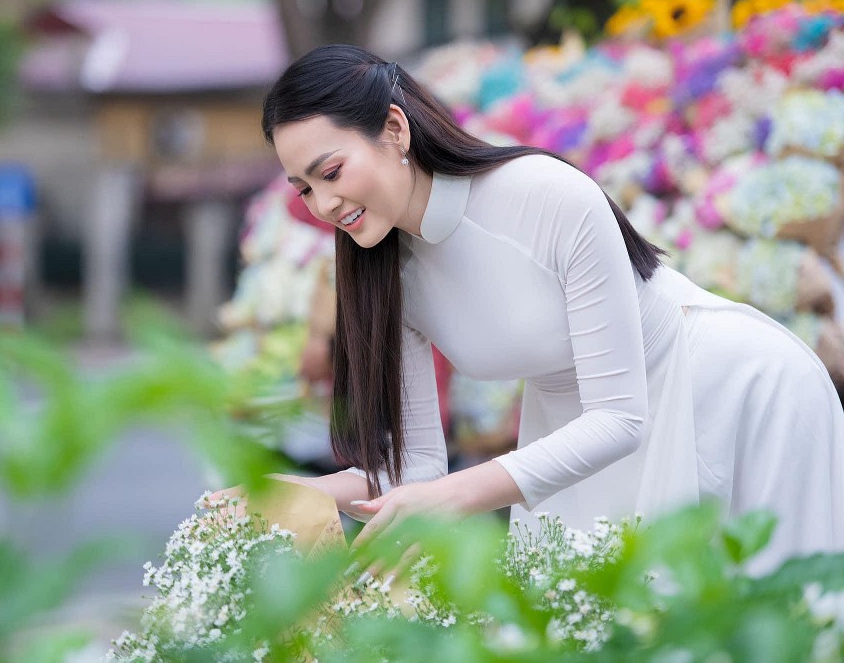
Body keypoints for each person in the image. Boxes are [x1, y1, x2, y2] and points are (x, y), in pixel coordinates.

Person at [227, 44, 844, 574]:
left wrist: (457, 495)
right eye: (305, 188)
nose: (325, 203)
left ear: (394, 130)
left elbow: (620, 417)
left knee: (776, 623)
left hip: (726, 391)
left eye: (331, 171)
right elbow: (419, 468)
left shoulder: (545, 194)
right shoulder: (385, 269)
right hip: (575, 438)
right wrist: (309, 493)